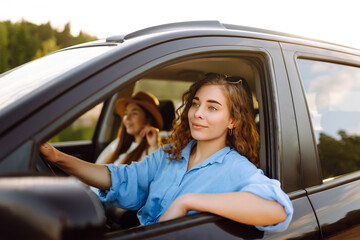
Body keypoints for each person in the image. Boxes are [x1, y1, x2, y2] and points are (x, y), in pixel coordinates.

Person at [40, 73, 293, 232]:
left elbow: (277, 210)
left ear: (233, 121)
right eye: (195, 104)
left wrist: (188, 201)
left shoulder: (235, 168)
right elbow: (121, 178)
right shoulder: (170, 153)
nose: (198, 114)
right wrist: (58, 158)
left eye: (212, 108)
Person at [96, 91, 163, 165]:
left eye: (134, 113)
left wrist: (154, 146)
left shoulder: (152, 150)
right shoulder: (119, 143)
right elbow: (98, 166)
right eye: (126, 113)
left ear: (148, 119)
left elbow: (158, 171)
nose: (127, 118)